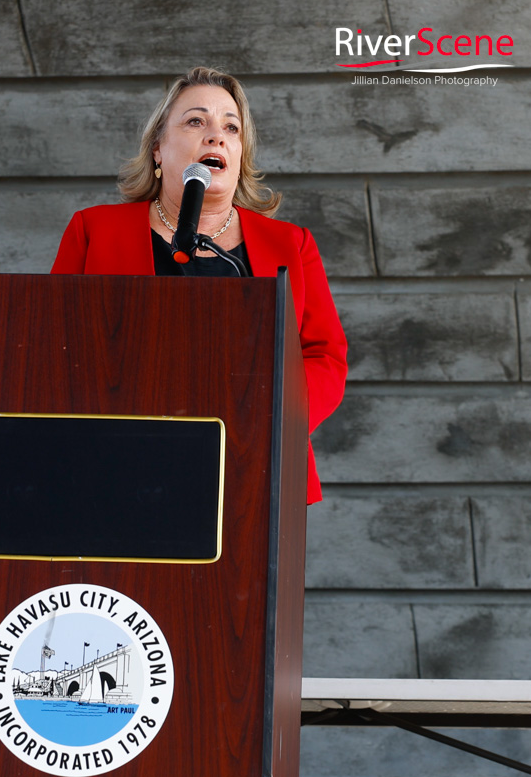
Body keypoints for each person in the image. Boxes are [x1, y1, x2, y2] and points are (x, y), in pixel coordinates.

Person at [51, 66, 347, 504]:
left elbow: (325, 357)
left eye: (231, 126)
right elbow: (51, 343)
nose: (217, 136)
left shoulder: (291, 244)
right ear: (157, 149)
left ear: (240, 153)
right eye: (196, 121)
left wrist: (268, 420)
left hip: (252, 469)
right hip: (115, 467)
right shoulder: (94, 231)